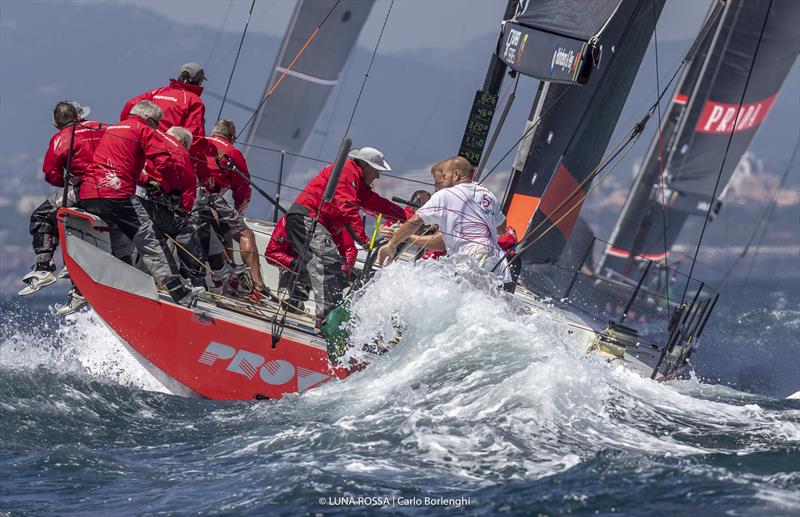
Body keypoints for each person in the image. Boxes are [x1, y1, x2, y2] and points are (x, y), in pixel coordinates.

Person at [79, 100, 202, 305]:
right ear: (149, 119)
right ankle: (179, 292)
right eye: (157, 124)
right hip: (117, 197)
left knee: (119, 229)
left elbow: (116, 162)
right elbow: (164, 161)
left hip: (89, 196)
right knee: (149, 239)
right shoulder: (143, 130)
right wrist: (171, 188)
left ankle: (119, 277)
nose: (157, 128)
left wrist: (147, 181)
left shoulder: (113, 128)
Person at [286, 147, 407, 326]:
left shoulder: (358, 182)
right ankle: (327, 320)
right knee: (328, 265)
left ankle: (324, 316)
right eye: (377, 171)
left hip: (315, 222)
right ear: (365, 166)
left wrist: (409, 218)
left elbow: (378, 204)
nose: (378, 177)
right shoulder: (347, 172)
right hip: (307, 218)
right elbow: (347, 207)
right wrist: (364, 240)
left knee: (328, 266)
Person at [20, 101, 104, 315]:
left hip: (85, 190)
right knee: (74, 226)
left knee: (41, 216)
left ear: (56, 123)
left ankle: (43, 268)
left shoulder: (62, 138)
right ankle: (78, 288)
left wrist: (66, 180)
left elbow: (51, 172)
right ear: (79, 116)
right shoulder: (103, 128)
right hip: (117, 189)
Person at [378, 155, 512, 284]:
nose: (441, 182)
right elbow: (501, 228)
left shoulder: (446, 194)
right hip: (500, 266)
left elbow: (416, 220)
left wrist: (391, 244)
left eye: (444, 177)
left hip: (473, 261)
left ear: (456, 175)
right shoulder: (487, 194)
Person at [194, 118, 269, 300]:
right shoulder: (232, 152)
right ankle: (258, 287)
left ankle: (231, 279)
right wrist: (238, 209)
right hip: (210, 197)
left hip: (189, 195)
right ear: (231, 137)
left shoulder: (200, 141)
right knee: (245, 234)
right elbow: (243, 188)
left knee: (224, 231)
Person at [137, 126, 209, 286]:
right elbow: (187, 198)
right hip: (147, 201)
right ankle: (196, 278)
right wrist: (182, 212)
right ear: (183, 142)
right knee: (183, 229)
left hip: (124, 190)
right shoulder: (182, 154)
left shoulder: (151, 137)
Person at [264, 215, 357, 314]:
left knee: (330, 308)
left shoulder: (334, 222)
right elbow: (271, 253)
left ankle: (333, 315)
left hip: (326, 269)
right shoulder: (288, 220)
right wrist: (295, 264)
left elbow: (349, 249)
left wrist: (344, 272)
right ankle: (297, 305)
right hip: (297, 270)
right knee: (287, 299)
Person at [120, 63, 206, 142]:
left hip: (140, 140)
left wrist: (129, 128)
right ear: (199, 82)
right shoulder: (194, 100)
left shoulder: (159, 91)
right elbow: (194, 136)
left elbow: (130, 106)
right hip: (164, 148)